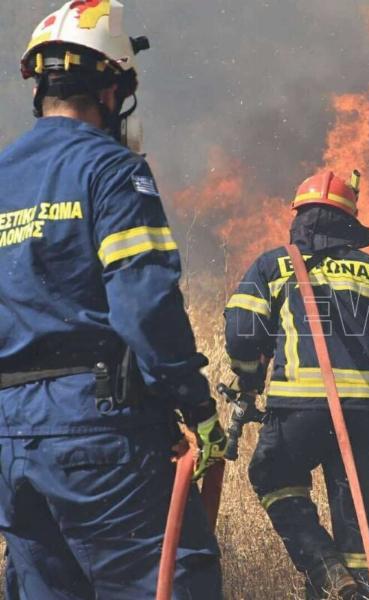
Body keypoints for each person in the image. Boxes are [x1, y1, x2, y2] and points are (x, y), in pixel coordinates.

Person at [0, 2, 226, 597]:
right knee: (171, 581)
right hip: (99, 436)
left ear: (40, 85)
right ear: (113, 86)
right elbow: (144, 304)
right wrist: (196, 406)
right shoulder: (111, 170)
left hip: (10, 445)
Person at [224, 169, 369, 599]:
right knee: (360, 525)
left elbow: (241, 332)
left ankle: (327, 573)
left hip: (300, 406)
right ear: (350, 221)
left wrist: (251, 376)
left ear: (300, 216)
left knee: (274, 476)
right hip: (368, 415)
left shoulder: (274, 264)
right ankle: (356, 588)